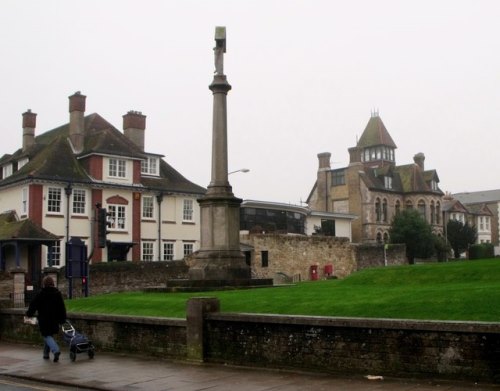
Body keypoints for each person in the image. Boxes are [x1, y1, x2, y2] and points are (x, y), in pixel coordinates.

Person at [26, 276, 67, 362]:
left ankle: (56, 350)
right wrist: (62, 319)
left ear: (44, 284)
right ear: (53, 283)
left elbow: (33, 305)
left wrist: (29, 314)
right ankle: (46, 354)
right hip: (54, 319)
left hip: (44, 319)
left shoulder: (41, 293)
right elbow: (62, 308)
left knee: (46, 335)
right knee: (49, 335)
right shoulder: (57, 293)